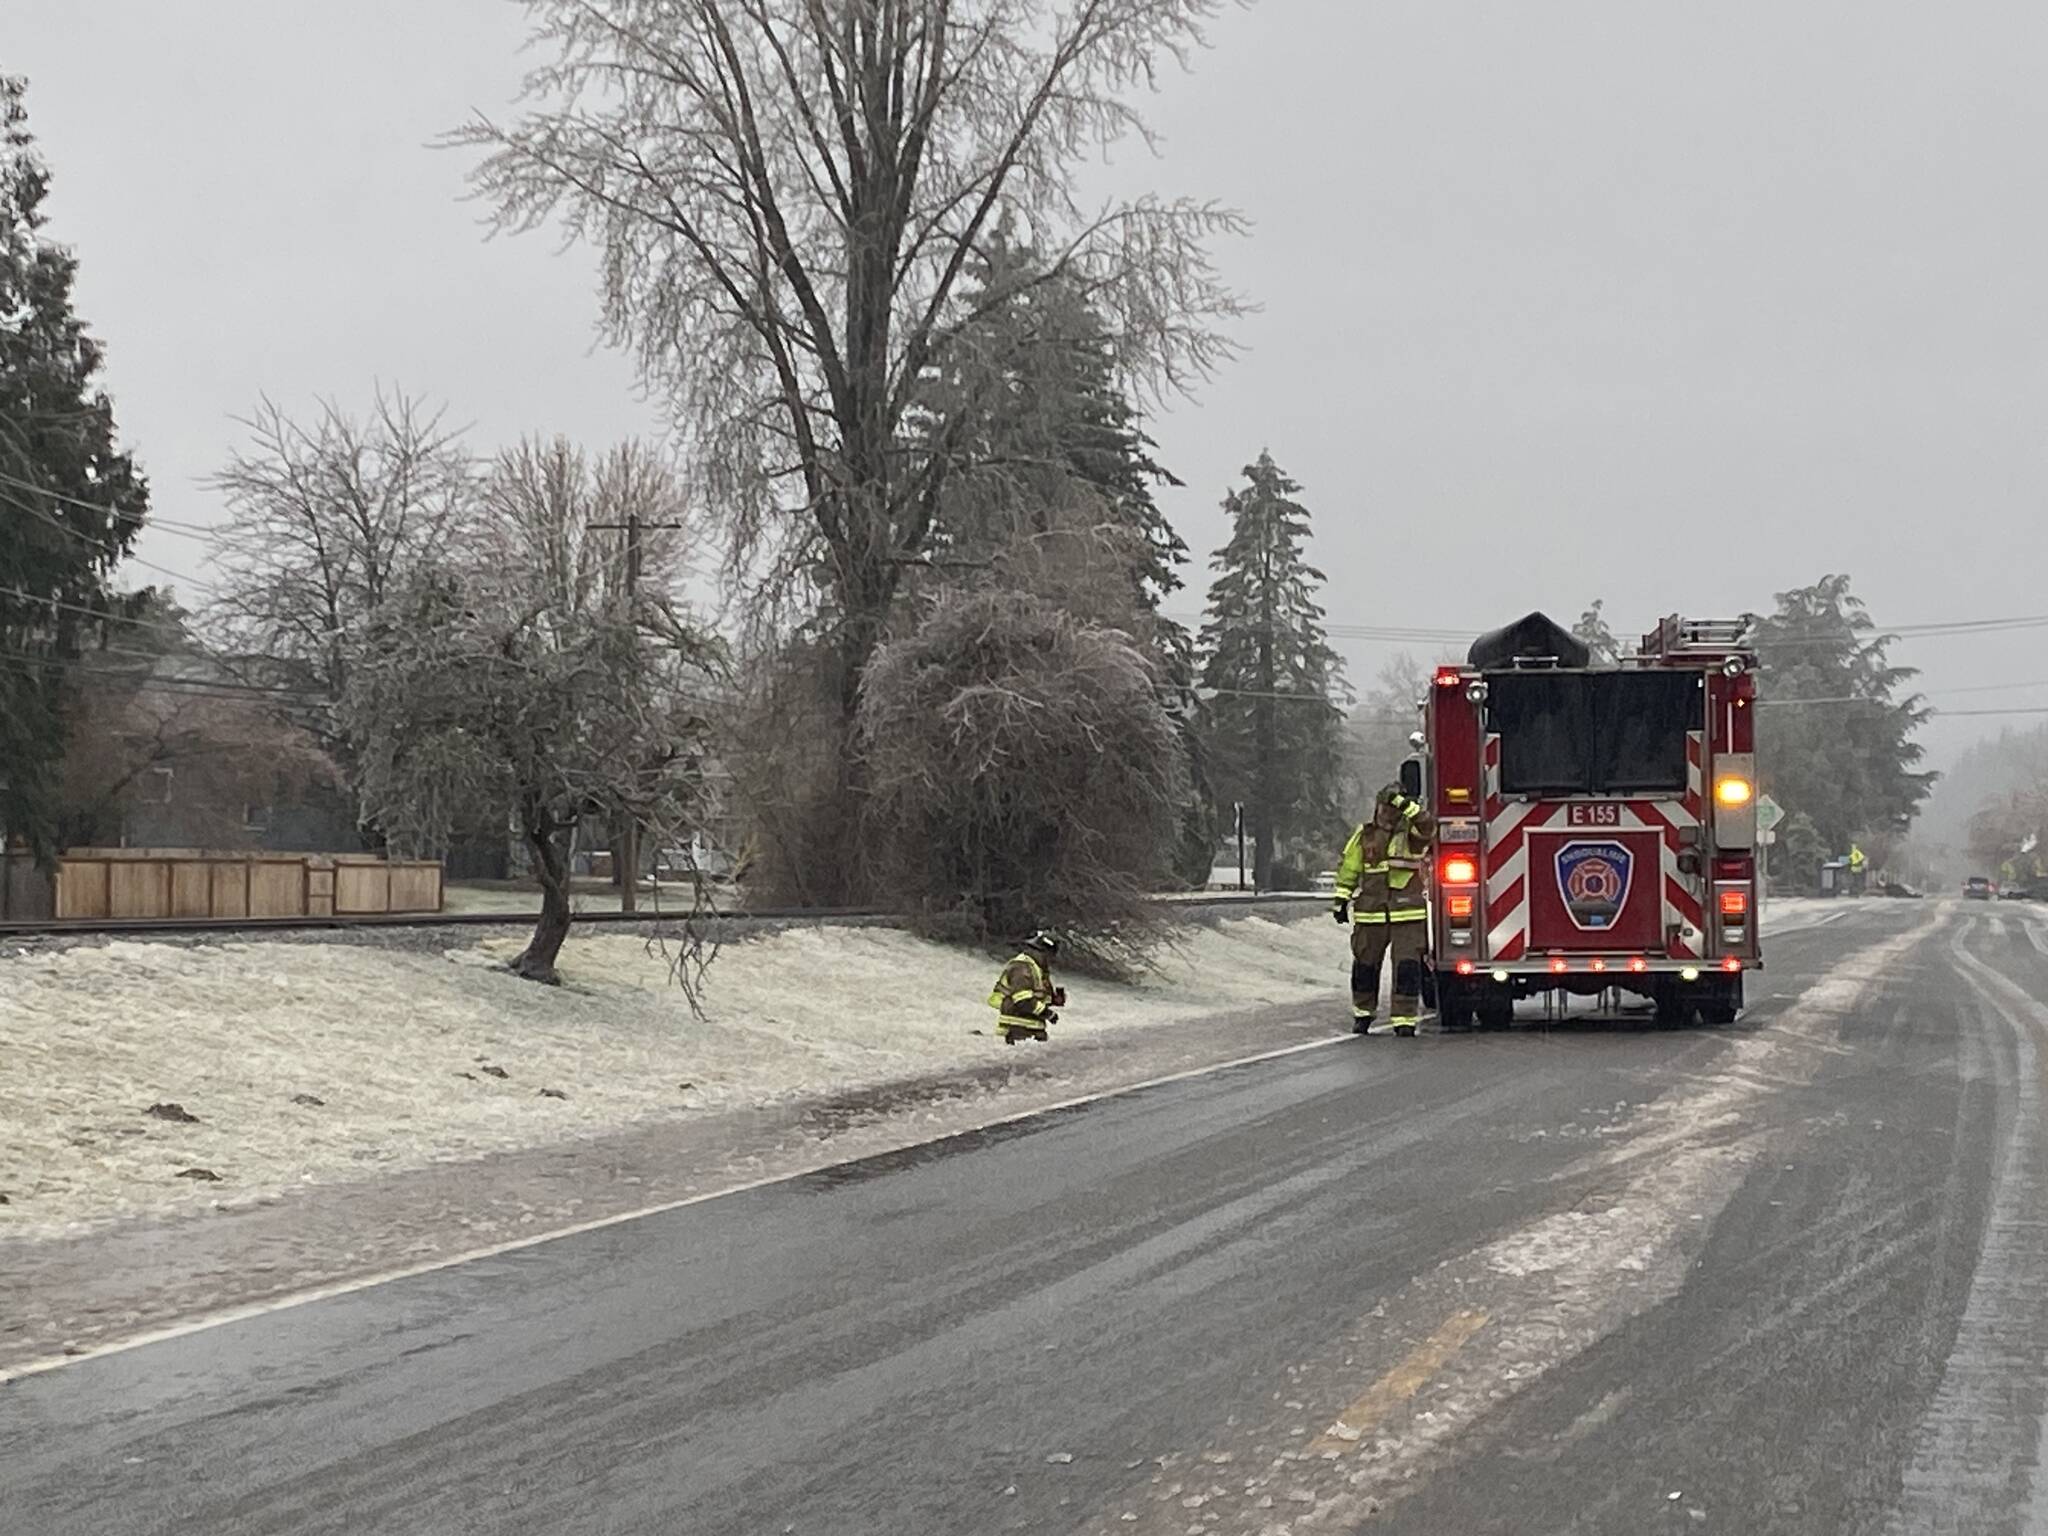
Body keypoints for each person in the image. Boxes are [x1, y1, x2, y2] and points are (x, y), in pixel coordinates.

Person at [1332, 784, 1438, 1036]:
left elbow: (1428, 825)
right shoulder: (1365, 835)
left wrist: (1403, 803)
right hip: (1371, 913)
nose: (1386, 813)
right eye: (1384, 807)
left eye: (1392, 808)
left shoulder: (1413, 834)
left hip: (1408, 915)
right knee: (1365, 966)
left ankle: (1404, 1020)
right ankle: (1363, 1014)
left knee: (1407, 968)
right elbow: (1350, 868)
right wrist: (1341, 900)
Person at [988, 930, 1065, 1043]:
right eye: (1050, 956)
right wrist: (1048, 1013)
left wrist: (1053, 1000)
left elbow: (1036, 996)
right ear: (1043, 952)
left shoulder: (1037, 968)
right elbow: (1022, 1000)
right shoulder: (1022, 967)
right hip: (1016, 1031)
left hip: (1030, 1031)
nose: (1051, 961)